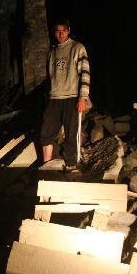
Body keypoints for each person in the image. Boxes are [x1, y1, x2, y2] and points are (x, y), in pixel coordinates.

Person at [40, 17, 91, 170]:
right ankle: (46, 164)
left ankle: (71, 165)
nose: (61, 34)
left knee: (71, 133)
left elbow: (85, 73)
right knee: (46, 131)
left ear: (69, 31)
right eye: (58, 31)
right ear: (54, 33)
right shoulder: (53, 52)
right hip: (55, 97)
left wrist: (83, 97)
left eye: (64, 31)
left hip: (72, 97)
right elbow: (50, 76)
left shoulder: (77, 47)